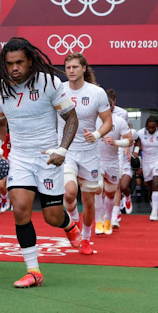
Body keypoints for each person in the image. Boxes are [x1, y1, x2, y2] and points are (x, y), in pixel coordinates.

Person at [0, 37, 81, 288]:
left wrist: (62, 149)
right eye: (9, 64)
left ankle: (69, 224)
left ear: (30, 61)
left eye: (19, 62)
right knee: (20, 209)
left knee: (52, 216)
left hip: (49, 157)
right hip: (19, 157)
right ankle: (33, 271)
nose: (14, 68)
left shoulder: (49, 83)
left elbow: (71, 118)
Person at [58, 53, 112, 255]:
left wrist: (97, 134)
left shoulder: (97, 92)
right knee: (69, 192)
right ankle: (73, 224)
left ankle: (86, 239)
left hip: (89, 153)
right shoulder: (58, 90)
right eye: (68, 67)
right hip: (66, 150)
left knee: (89, 201)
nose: (71, 70)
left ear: (83, 69)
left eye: (74, 67)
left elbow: (108, 122)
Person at [95, 94, 133, 235]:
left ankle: (108, 219)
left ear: (112, 106)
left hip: (112, 161)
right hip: (95, 161)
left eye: (107, 106)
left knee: (110, 193)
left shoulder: (119, 121)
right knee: (98, 189)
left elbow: (130, 141)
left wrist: (115, 142)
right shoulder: (92, 120)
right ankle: (98, 221)